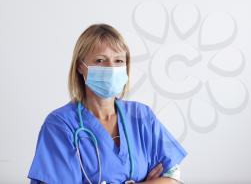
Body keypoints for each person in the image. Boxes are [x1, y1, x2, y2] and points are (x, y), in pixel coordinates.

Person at [27, 24, 187, 184]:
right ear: (80, 67)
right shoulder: (61, 125)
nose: (111, 68)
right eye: (100, 60)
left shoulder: (141, 115)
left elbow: (173, 176)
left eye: (118, 60)